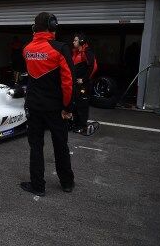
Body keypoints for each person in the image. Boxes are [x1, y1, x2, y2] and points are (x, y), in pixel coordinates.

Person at [21, 12, 75, 196]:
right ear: (52, 27)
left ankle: (38, 186)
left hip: (34, 106)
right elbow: (68, 82)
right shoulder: (60, 48)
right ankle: (67, 183)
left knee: (36, 146)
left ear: (35, 28)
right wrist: (68, 107)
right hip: (55, 107)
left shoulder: (27, 49)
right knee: (61, 144)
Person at [72, 33, 97, 133]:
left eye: (75, 40)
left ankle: (82, 126)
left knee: (82, 105)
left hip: (84, 84)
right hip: (76, 84)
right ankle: (76, 124)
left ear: (81, 41)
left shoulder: (87, 52)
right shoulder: (76, 52)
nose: (73, 42)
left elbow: (94, 67)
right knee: (76, 104)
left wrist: (84, 79)